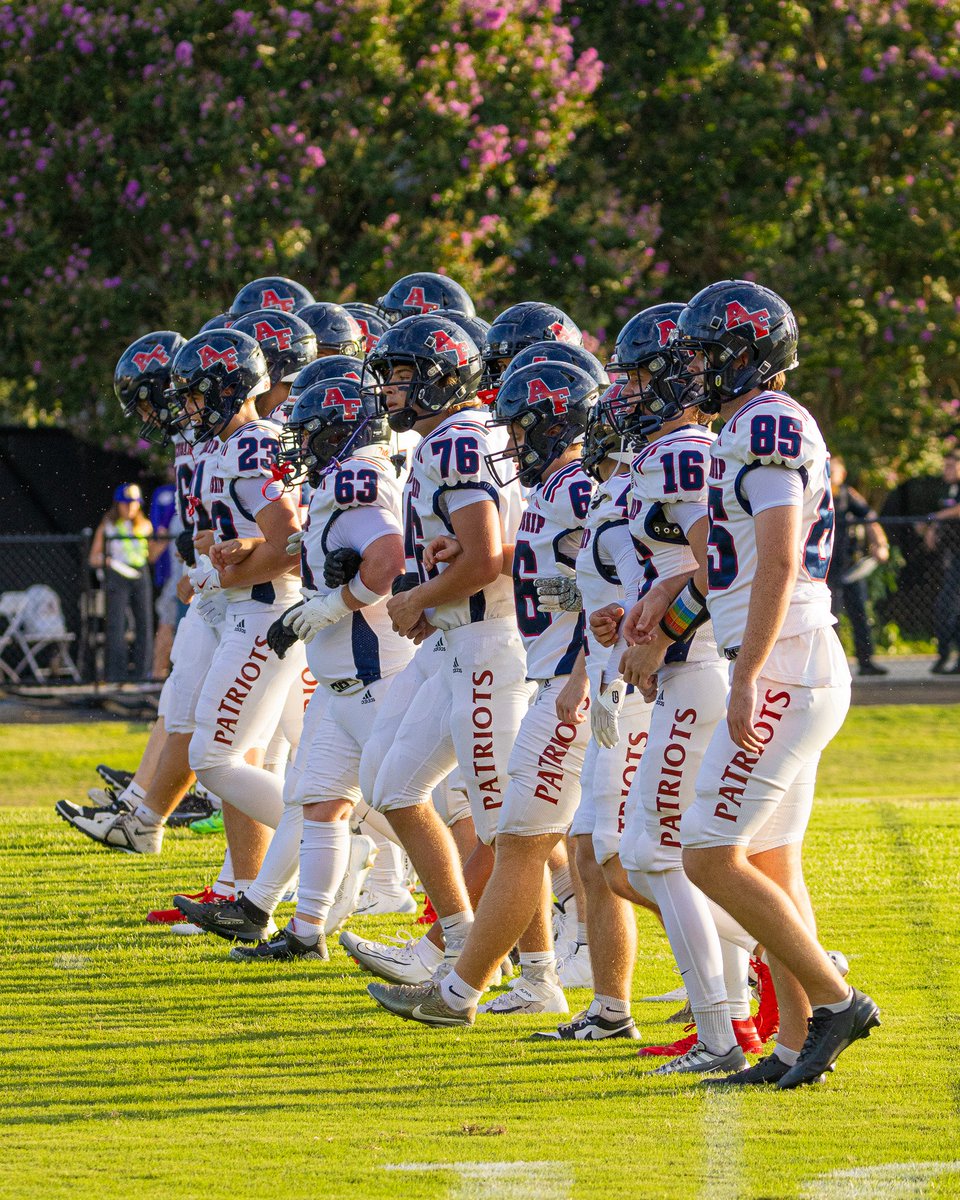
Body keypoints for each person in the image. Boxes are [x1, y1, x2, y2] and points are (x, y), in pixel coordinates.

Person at [621, 279, 879, 1089]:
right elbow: (732, 563)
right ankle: (797, 1042)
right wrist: (672, 592)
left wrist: (750, 672)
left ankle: (838, 1000)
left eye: (707, 351)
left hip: (787, 658)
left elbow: (777, 557)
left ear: (749, 354)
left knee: (705, 850)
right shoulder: (746, 427)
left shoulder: (766, 422)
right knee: (767, 861)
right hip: (788, 654)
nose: (694, 366)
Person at [829, 455, 890, 677]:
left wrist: (881, 544)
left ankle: (866, 662)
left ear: (842, 473)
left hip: (850, 567)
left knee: (860, 615)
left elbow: (869, 517)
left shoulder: (848, 494)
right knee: (830, 618)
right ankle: (830, 667)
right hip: (825, 569)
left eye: (833, 470)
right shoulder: (815, 491)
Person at [89, 483, 155, 682]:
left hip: (140, 573)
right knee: (116, 625)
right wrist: (107, 561)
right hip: (117, 573)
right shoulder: (107, 526)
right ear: (118, 504)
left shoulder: (145, 525)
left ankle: (142, 674)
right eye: (126, 504)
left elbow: (150, 555)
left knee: (145, 623)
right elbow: (93, 557)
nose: (131, 508)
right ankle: (115, 675)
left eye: (134, 503)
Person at [926, 449, 960, 673]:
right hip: (954, 557)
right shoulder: (950, 490)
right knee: (947, 606)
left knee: (948, 605)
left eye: (950, 466)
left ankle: (947, 655)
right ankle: (946, 655)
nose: (945, 470)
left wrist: (936, 518)